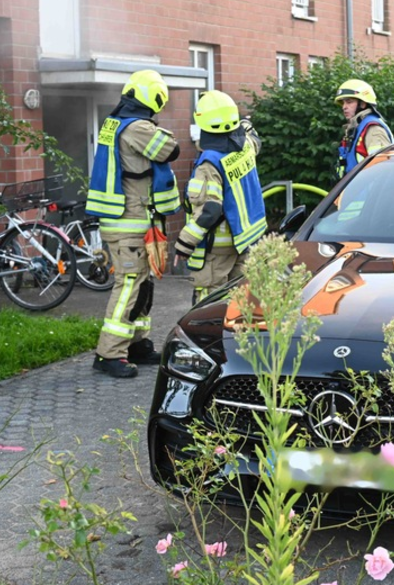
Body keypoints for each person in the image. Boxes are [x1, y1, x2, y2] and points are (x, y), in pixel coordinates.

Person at [86, 70, 182, 379]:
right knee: (129, 286)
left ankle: (136, 345)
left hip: (129, 219)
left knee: (142, 285)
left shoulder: (116, 122)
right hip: (128, 221)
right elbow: (170, 149)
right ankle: (109, 354)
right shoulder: (137, 127)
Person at [173, 90, 268, 304]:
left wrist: (184, 243)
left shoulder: (209, 163)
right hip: (247, 240)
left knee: (210, 304)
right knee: (240, 303)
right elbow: (254, 138)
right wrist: (244, 124)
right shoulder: (245, 146)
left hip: (218, 247)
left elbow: (210, 210)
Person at [335, 79, 394, 177]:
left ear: (363, 104)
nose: (344, 107)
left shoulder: (373, 129)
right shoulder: (356, 127)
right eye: (343, 102)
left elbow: (382, 170)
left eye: (349, 102)